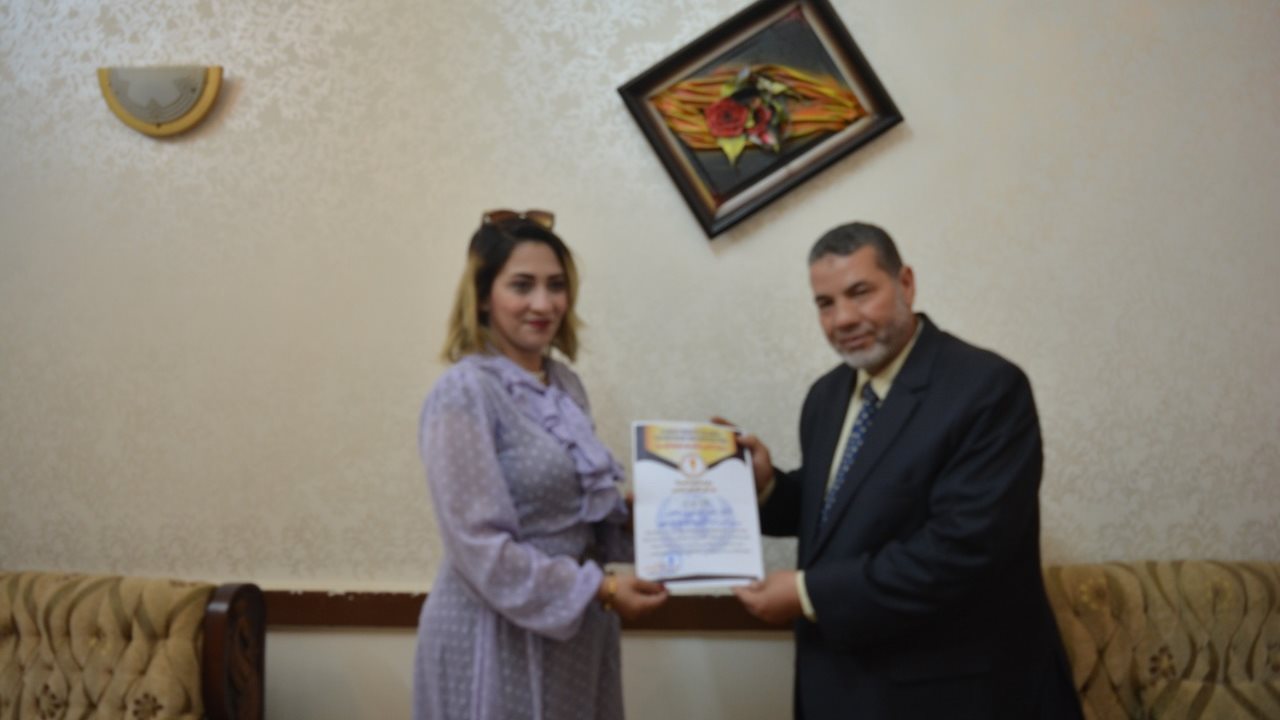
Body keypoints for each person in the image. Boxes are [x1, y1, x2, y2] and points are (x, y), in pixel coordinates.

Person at [730, 222, 1082, 719]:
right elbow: (844, 504)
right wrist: (769, 486)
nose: (843, 318)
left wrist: (808, 593)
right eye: (825, 303)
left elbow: (962, 550)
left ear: (906, 283)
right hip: (839, 687)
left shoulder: (986, 389)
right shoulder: (827, 395)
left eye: (860, 293)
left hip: (953, 696)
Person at [413, 209, 667, 720]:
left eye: (556, 285)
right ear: (483, 296)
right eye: (522, 285)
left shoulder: (566, 385)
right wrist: (600, 588)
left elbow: (574, 517)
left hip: (574, 635)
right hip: (494, 632)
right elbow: (478, 546)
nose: (543, 303)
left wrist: (656, 519)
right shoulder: (464, 391)